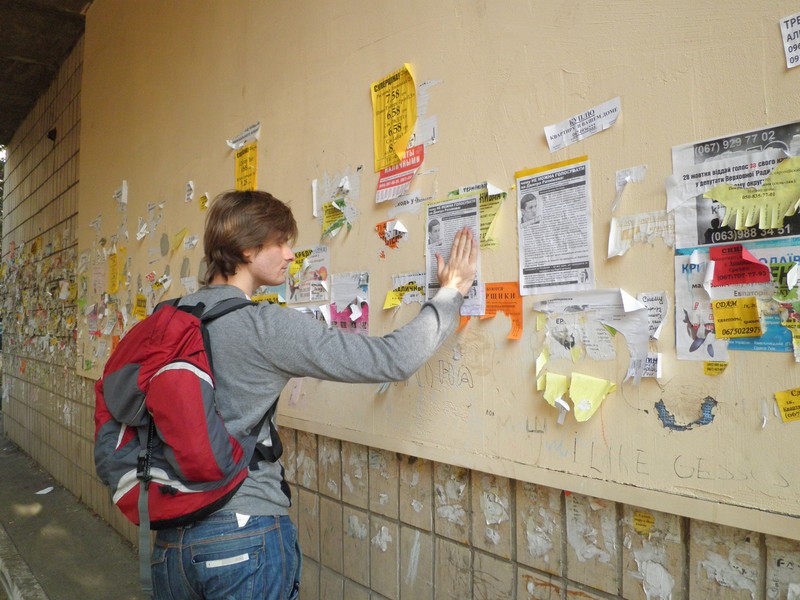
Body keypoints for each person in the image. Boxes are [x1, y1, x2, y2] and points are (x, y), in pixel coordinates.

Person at [150, 190, 477, 600]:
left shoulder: (167, 317)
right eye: (280, 242)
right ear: (248, 249)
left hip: (170, 543)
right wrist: (451, 293)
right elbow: (392, 360)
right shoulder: (264, 327)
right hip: (242, 534)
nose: (290, 254)